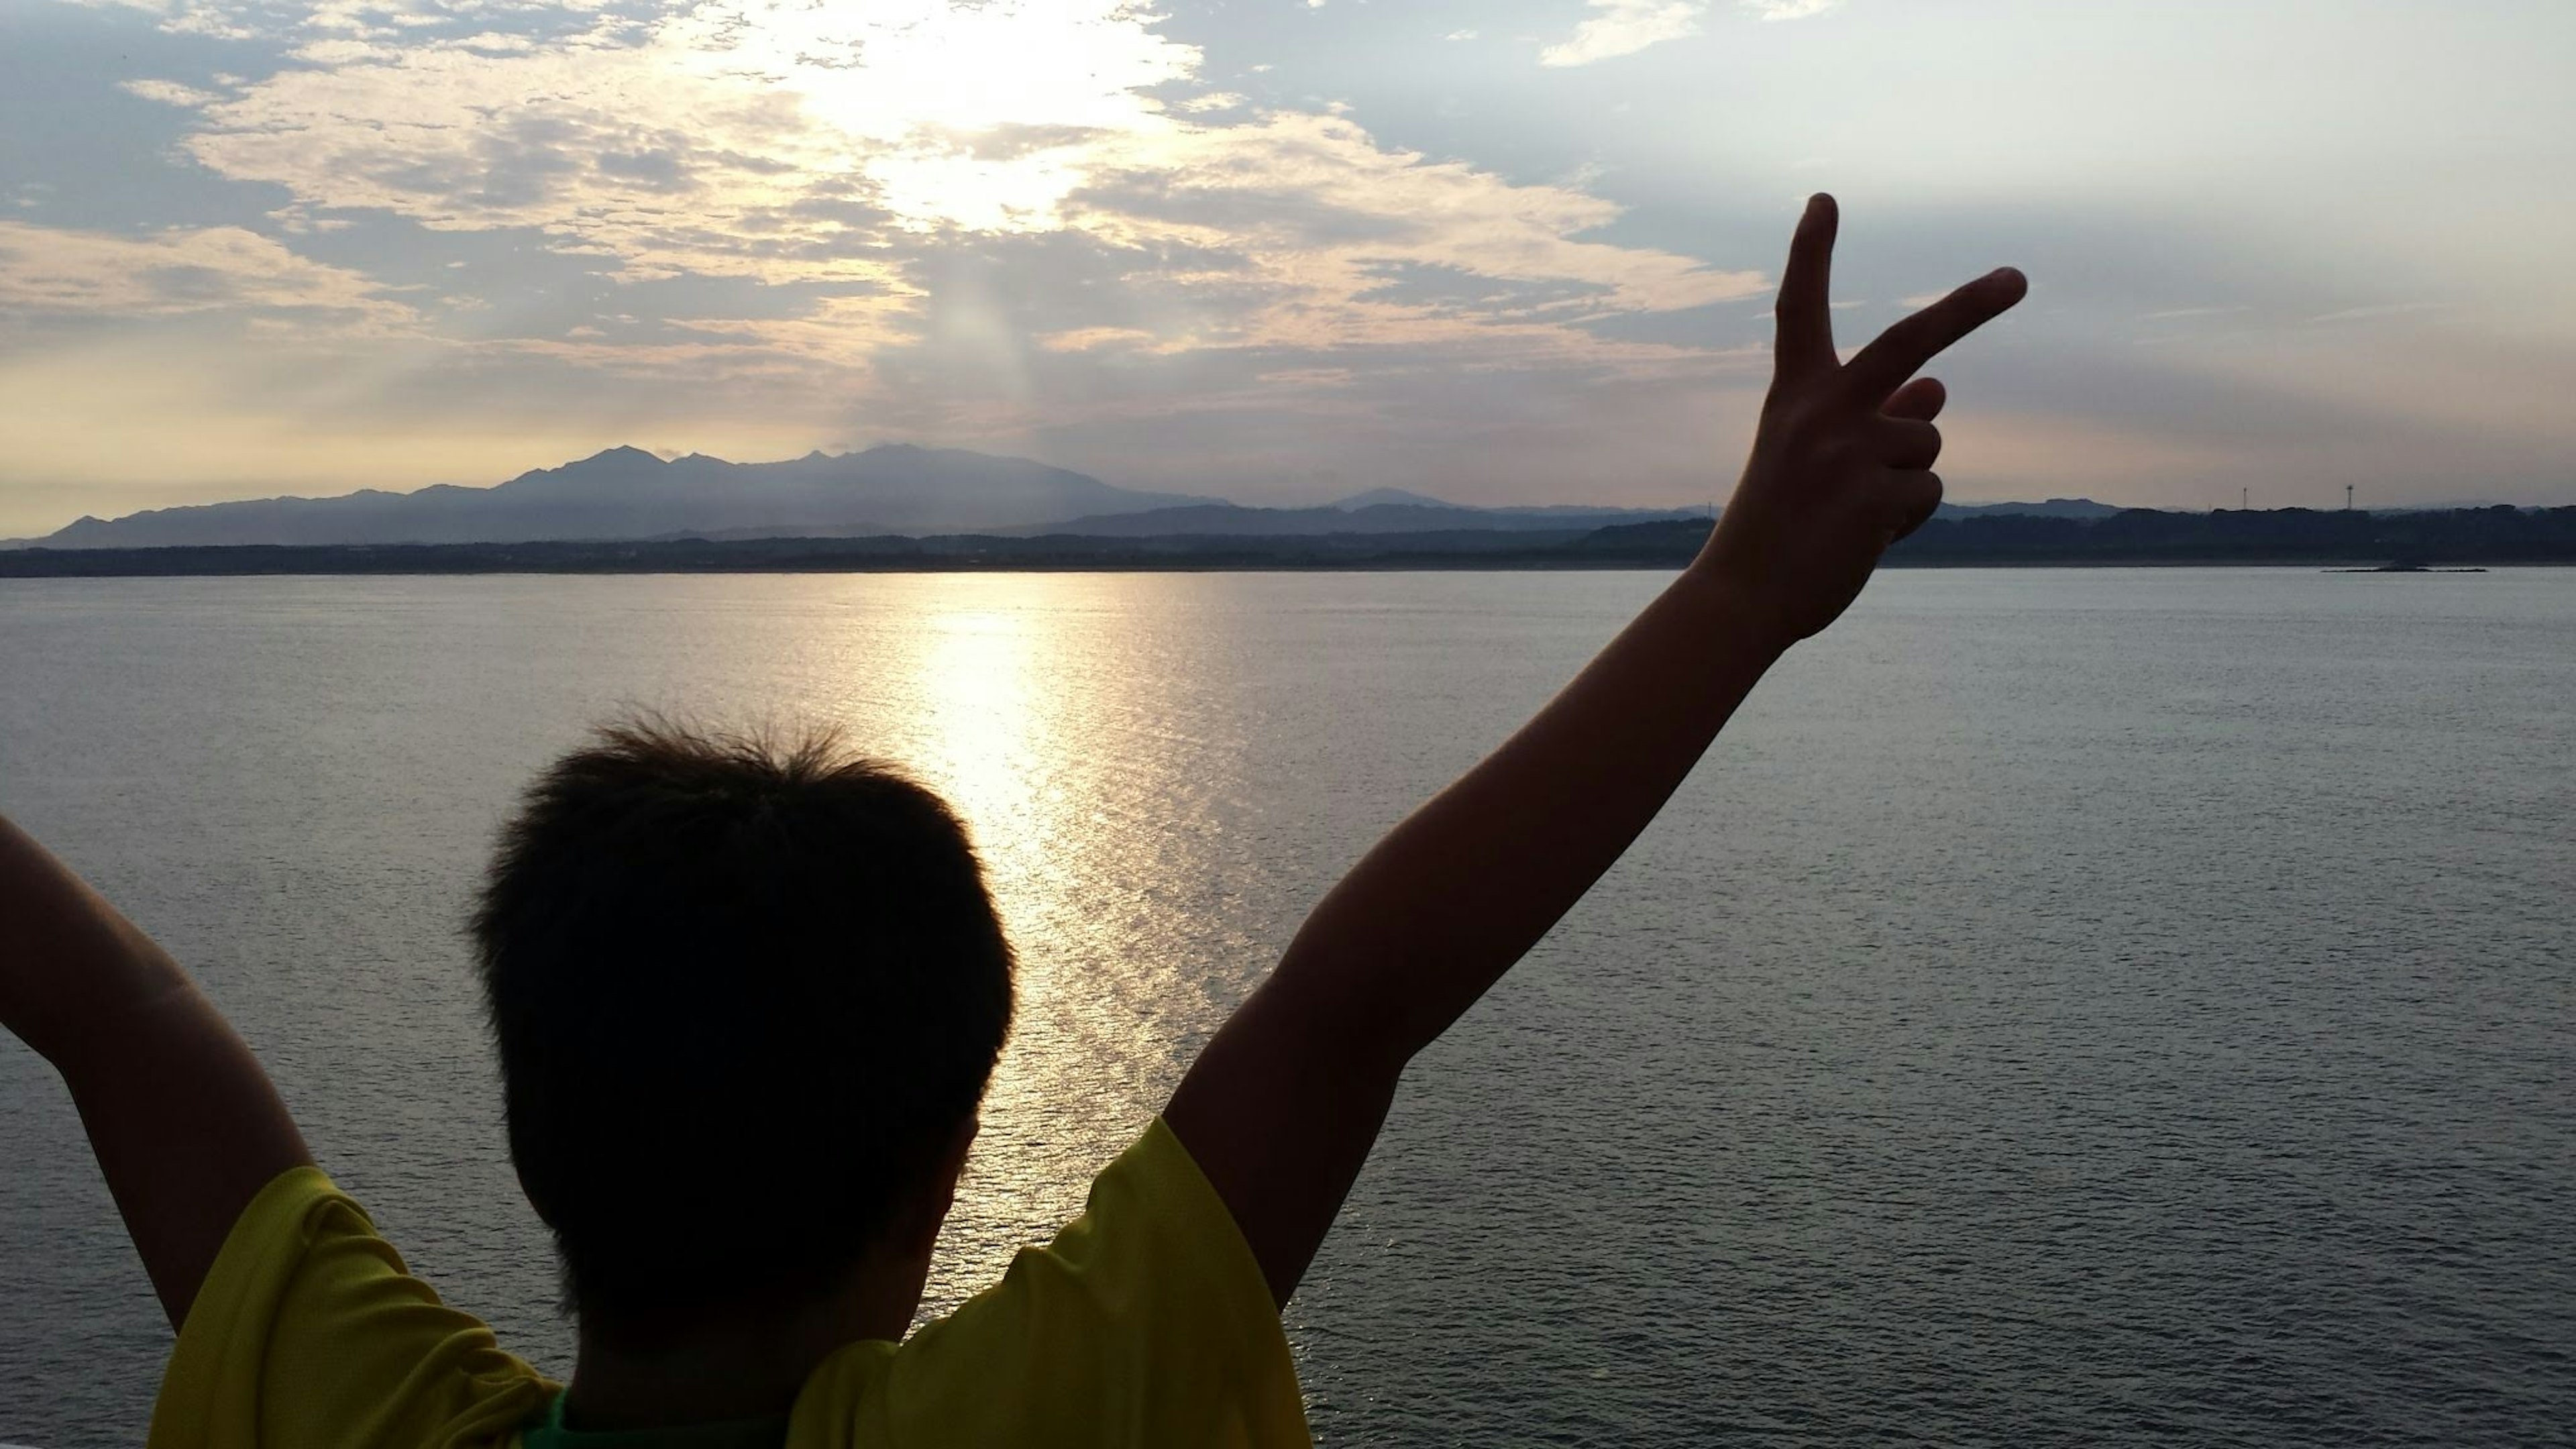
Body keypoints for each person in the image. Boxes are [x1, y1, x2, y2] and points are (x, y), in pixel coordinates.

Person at [0, 195, 2023, 1448]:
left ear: (533, 1130)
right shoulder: (1039, 1419)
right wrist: (1742, 594)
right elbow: (1355, 1004)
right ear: (943, 1168)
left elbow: (112, 1015)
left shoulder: (340, 1410)